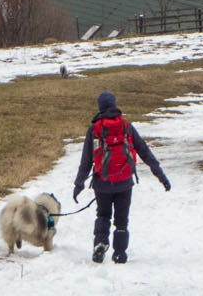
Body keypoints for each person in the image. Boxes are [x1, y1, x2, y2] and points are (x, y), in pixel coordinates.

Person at [72, 90, 170, 264]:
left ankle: (100, 243)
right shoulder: (127, 126)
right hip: (125, 182)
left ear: (100, 106)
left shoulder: (94, 130)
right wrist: (161, 176)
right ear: (115, 104)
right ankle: (120, 254)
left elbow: (86, 161)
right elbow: (145, 152)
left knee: (103, 215)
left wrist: (79, 184)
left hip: (102, 183)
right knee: (121, 220)